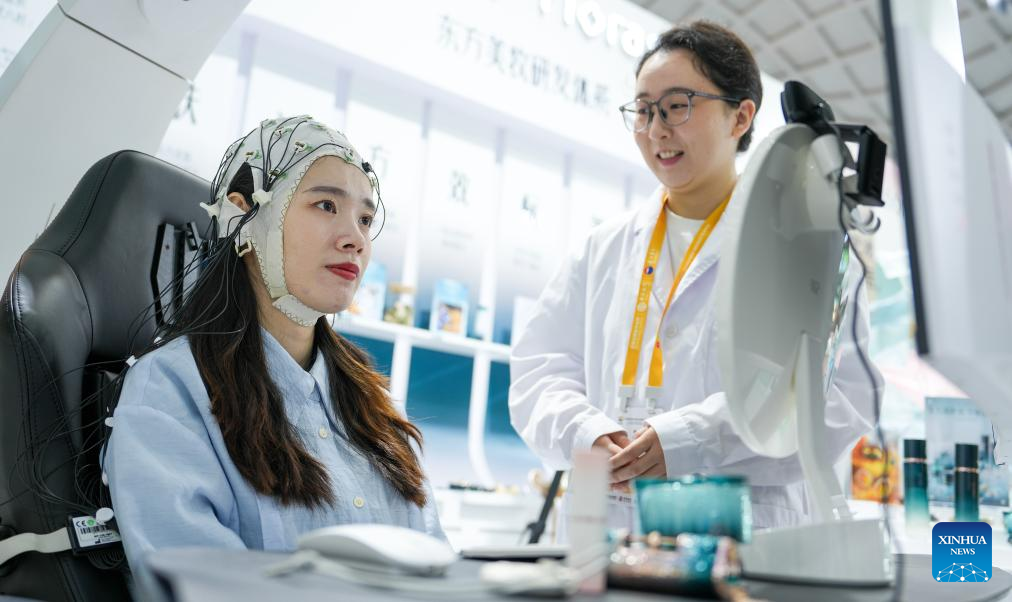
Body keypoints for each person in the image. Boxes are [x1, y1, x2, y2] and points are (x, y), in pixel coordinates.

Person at [508, 21, 880, 530]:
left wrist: (694, 440)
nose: (656, 130)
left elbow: (842, 396)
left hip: (748, 534)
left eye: (677, 105)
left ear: (740, 116)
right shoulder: (602, 249)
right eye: (643, 110)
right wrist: (585, 433)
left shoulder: (806, 245)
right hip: (609, 525)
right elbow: (539, 371)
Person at [103, 116, 444, 582]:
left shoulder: (376, 407)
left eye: (365, 219)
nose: (356, 239)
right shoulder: (170, 391)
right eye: (326, 205)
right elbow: (202, 587)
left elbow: (436, 566)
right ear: (241, 216)